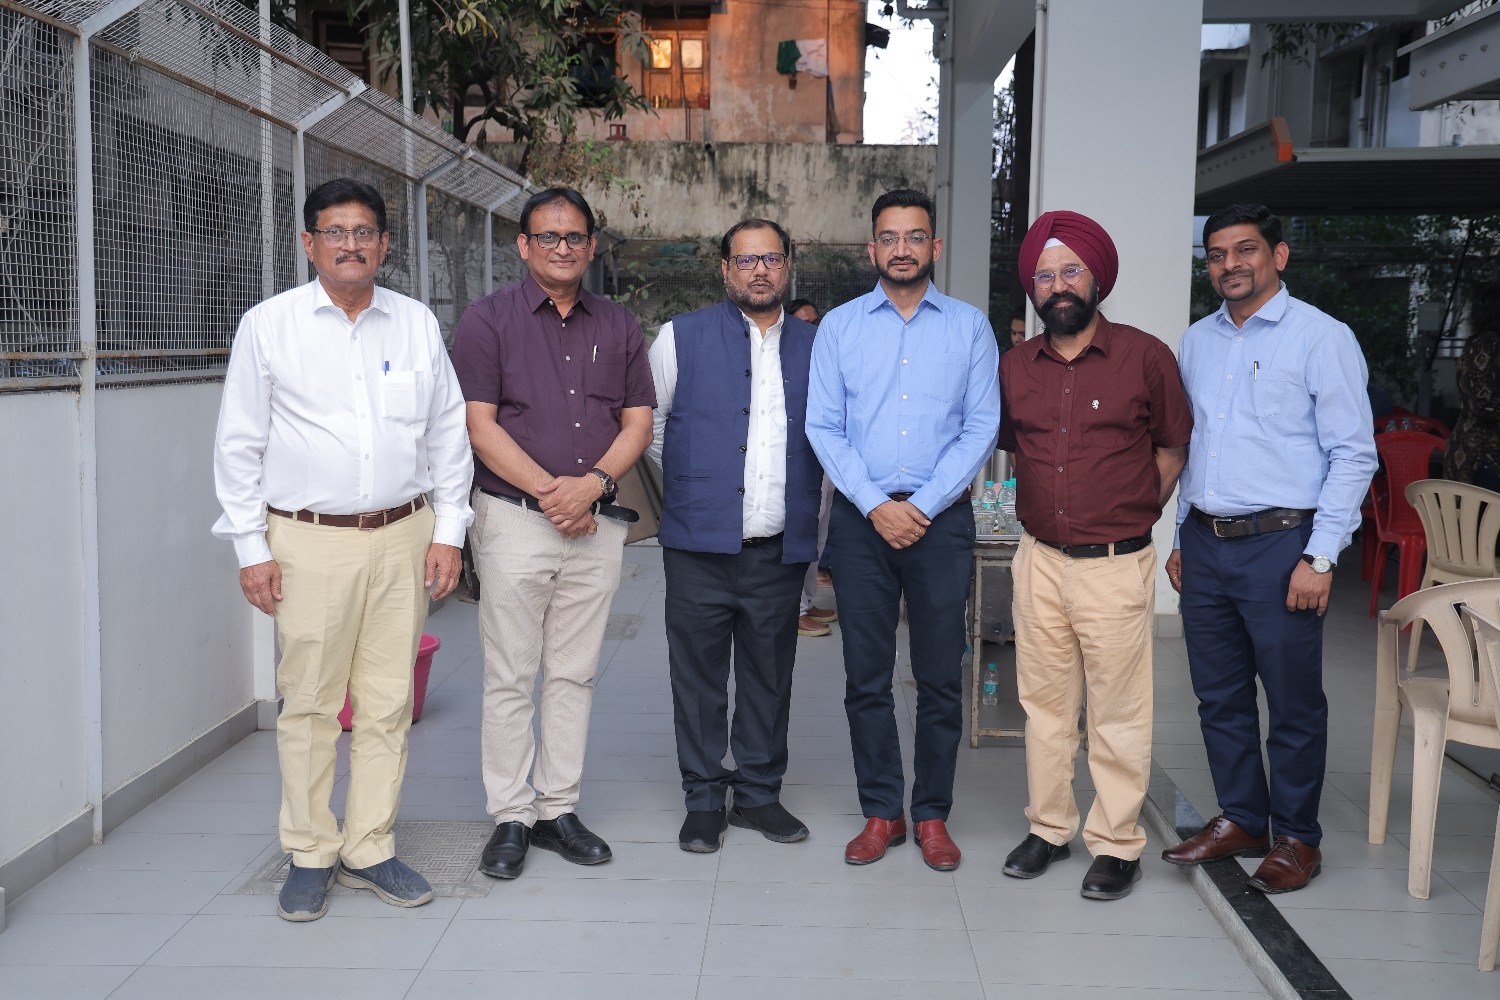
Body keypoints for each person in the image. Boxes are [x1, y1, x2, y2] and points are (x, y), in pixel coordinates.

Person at [212, 177, 473, 921]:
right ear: (309, 243)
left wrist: (449, 533)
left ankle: (369, 847)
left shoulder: (415, 323)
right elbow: (238, 444)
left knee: (388, 703)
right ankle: (309, 850)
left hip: (403, 536)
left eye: (364, 232)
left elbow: (447, 433)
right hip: (308, 542)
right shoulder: (270, 326)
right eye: (335, 232)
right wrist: (251, 548)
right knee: (311, 704)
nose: (350, 245)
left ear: (384, 245)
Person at [1163, 203, 1376, 893]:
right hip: (1206, 542)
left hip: (1283, 545)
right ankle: (1243, 820)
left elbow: (1353, 454)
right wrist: (1180, 534)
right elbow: (1193, 445)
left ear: (1278, 256)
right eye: (1217, 254)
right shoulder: (1197, 340)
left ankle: (1298, 838)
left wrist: (1321, 556)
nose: (1230, 264)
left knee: (1291, 701)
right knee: (1218, 696)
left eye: (1245, 250)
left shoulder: (1322, 338)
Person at [450, 187, 655, 880]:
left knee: (573, 672)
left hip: (595, 522)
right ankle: (511, 814)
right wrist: (554, 493)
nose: (562, 248)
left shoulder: (619, 325)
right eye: (548, 237)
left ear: (591, 246)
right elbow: (480, 425)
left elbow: (637, 422)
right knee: (510, 672)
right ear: (524, 245)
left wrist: (591, 485)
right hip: (513, 519)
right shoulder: (487, 320)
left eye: (574, 238)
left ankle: (557, 808)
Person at [997, 211, 1192, 900]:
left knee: (1117, 711)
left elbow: (1172, 447)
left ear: (1096, 279)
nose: (1057, 285)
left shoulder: (1145, 357)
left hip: (1115, 563)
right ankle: (1050, 828)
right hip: (1039, 560)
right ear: (1033, 289)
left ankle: (1115, 842)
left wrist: (1132, 511)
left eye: (1070, 271)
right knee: (1044, 707)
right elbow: (1013, 447)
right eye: (1045, 276)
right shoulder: (1016, 366)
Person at [807, 189, 1000, 871]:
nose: (901, 249)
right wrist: (874, 505)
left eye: (915, 237)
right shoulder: (840, 327)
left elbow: (982, 425)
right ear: (872, 249)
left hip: (940, 523)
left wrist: (924, 504)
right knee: (866, 675)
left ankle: (932, 814)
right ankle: (882, 810)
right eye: (888, 238)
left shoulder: (970, 328)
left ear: (934, 247)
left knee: (940, 674)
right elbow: (823, 426)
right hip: (862, 522)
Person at [648, 219, 821, 852]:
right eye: (745, 260)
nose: (759, 270)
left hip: (779, 547)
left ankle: (758, 795)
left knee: (769, 675)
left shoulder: (819, 344)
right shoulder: (679, 337)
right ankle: (702, 798)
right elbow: (652, 428)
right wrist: (701, 487)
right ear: (725, 269)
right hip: (698, 546)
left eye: (771, 258)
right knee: (696, 677)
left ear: (788, 265)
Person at [783, 298, 839, 637]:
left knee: (818, 538)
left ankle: (807, 600)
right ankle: (795, 610)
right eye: (804, 322)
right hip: (801, 462)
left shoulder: (825, 355)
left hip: (827, 460)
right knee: (802, 536)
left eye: (815, 321)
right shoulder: (784, 359)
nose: (812, 328)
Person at [1445, 281, 1500, 493]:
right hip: (1483, 455)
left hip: (1474, 450)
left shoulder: (1478, 342)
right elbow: (1484, 403)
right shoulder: (1489, 344)